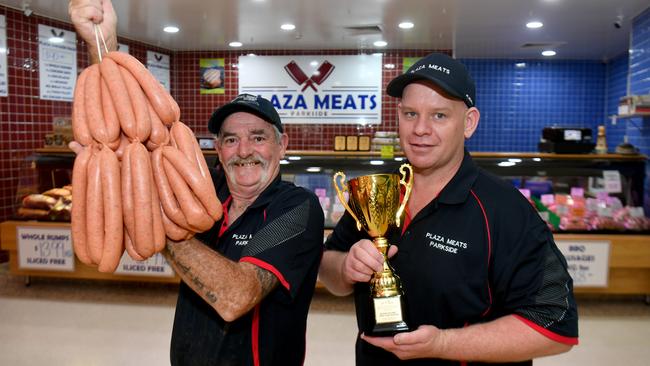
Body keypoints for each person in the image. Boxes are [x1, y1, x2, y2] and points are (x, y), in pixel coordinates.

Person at [68, 2, 325, 365]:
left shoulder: (297, 208)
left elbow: (237, 297)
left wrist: (160, 222)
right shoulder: (207, 190)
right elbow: (132, 128)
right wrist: (102, 40)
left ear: (282, 145)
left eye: (258, 137)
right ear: (218, 149)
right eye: (231, 139)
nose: (244, 150)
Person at [319, 52, 579, 365]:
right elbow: (329, 268)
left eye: (439, 115)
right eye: (410, 114)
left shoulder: (505, 209)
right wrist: (346, 267)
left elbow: (555, 324)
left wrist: (443, 343)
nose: (420, 129)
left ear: (469, 123)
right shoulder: (377, 193)